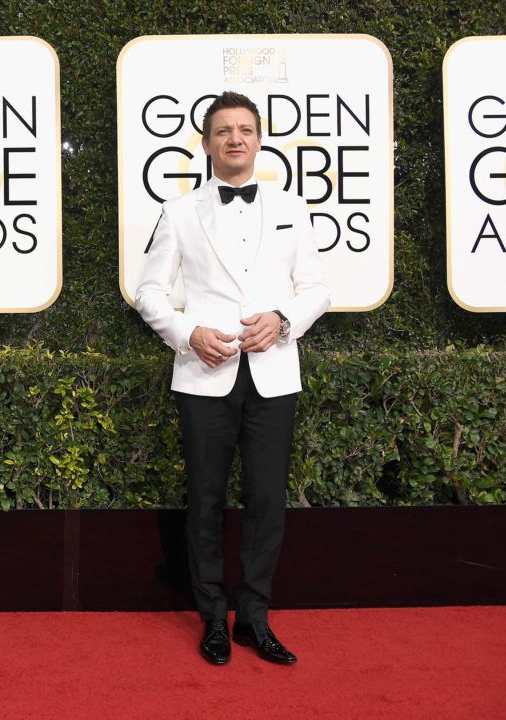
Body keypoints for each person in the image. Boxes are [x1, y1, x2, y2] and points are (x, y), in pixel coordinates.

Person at [135, 91, 330, 665]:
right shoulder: (178, 212)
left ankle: (255, 618)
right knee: (206, 501)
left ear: (260, 138)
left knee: (268, 500)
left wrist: (284, 320)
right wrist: (186, 332)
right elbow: (148, 293)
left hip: (274, 374)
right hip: (203, 373)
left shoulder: (293, 207)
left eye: (245, 129)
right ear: (207, 143)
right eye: (224, 130)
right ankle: (212, 619)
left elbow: (317, 288)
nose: (235, 139)